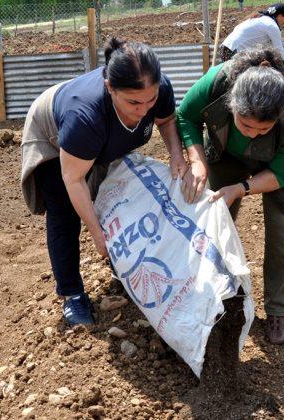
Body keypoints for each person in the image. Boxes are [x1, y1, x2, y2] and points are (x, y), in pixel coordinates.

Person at [20, 37, 187, 327]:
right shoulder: (84, 117)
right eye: (134, 102)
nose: (145, 109)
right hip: (52, 129)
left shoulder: (157, 89)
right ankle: (72, 294)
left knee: (120, 194)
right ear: (110, 87)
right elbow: (73, 180)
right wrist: (98, 235)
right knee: (64, 213)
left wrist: (176, 154)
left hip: (98, 138)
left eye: (150, 99)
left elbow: (168, 120)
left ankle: (122, 265)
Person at [176, 48, 284, 345]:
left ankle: (277, 311)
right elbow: (185, 116)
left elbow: (282, 175)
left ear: (277, 118)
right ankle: (215, 297)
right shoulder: (217, 82)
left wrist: (242, 188)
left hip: (279, 166)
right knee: (215, 217)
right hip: (227, 153)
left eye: (262, 129)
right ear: (231, 105)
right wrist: (198, 161)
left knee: (282, 230)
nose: (252, 133)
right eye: (245, 124)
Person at [219, 2, 284, 62]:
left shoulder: (261, 20)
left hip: (226, 49)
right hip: (233, 52)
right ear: (280, 16)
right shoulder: (272, 25)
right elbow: (279, 50)